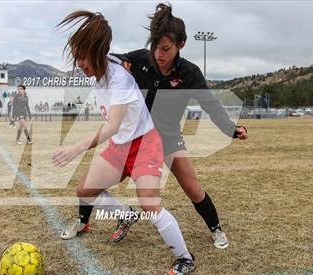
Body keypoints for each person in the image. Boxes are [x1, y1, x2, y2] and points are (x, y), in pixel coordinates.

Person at [54, 10, 195, 275]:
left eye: (82, 57)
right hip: (120, 146)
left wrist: (75, 148)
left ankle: (185, 258)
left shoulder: (119, 79)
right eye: (76, 57)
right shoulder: (102, 68)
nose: (79, 63)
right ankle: (124, 215)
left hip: (144, 144)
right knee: (85, 189)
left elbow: (113, 126)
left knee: (150, 204)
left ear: (95, 52)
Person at [104, 3, 247, 249]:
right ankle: (86, 221)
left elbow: (210, 105)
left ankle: (216, 229)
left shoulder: (190, 73)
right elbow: (112, 59)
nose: (159, 54)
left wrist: (230, 128)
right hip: (137, 139)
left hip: (168, 138)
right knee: (93, 184)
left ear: (181, 45)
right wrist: (120, 62)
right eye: (156, 47)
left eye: (166, 48)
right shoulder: (141, 58)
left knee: (192, 188)